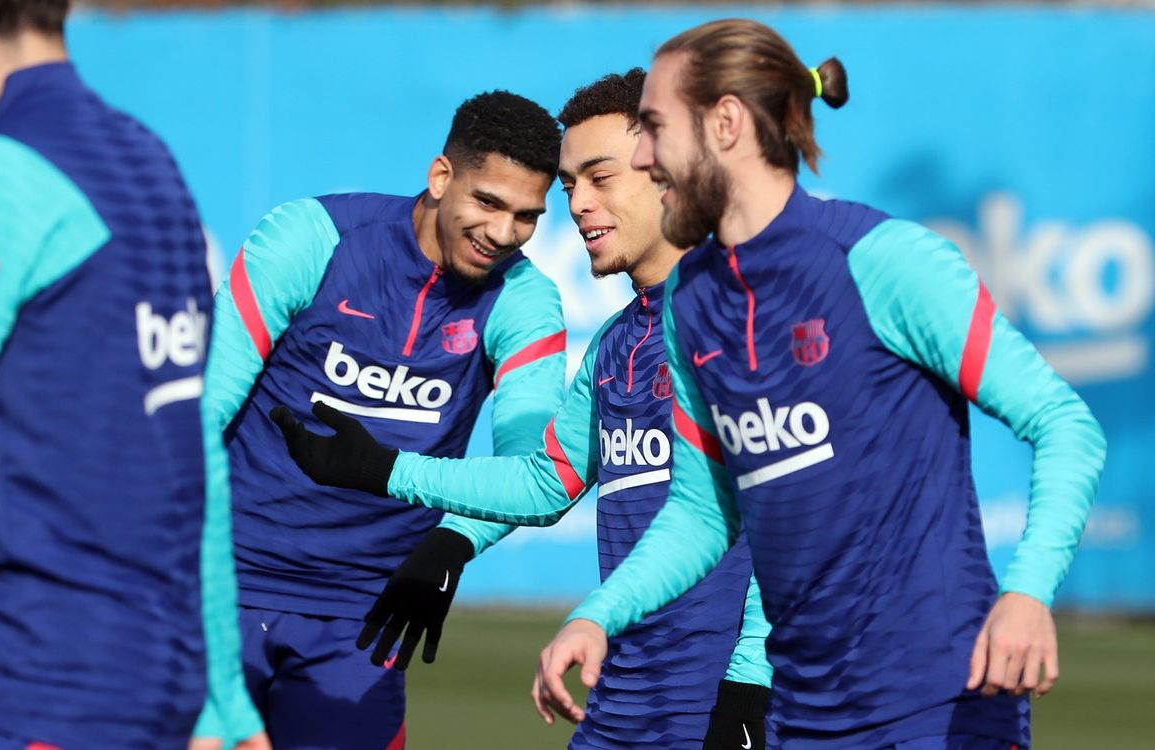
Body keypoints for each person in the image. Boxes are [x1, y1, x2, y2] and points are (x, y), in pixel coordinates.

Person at [534, 18, 1106, 749]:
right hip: (802, 716)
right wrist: (598, 614)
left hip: (939, 705)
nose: (642, 156)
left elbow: (1064, 424)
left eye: (652, 127)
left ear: (728, 123)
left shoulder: (883, 261)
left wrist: (1027, 594)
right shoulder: (695, 303)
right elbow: (704, 514)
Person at [274, 69, 774, 750]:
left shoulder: (743, 320)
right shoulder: (617, 342)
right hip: (622, 704)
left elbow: (803, 517)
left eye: (599, 177)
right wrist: (398, 484)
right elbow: (546, 482)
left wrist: (750, 682)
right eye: (569, 187)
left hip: (724, 705)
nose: (579, 205)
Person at [206, 90, 567, 749]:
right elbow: (198, 416)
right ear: (440, 177)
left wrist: (452, 541)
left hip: (365, 618)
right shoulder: (310, 237)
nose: (504, 233)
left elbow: (529, 473)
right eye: (488, 202)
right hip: (225, 587)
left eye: (526, 216)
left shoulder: (525, 300)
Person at [0, 1, 265, 748]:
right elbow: (195, 459)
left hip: (13, 683)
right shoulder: (150, 167)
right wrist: (225, 699)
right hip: (150, 684)